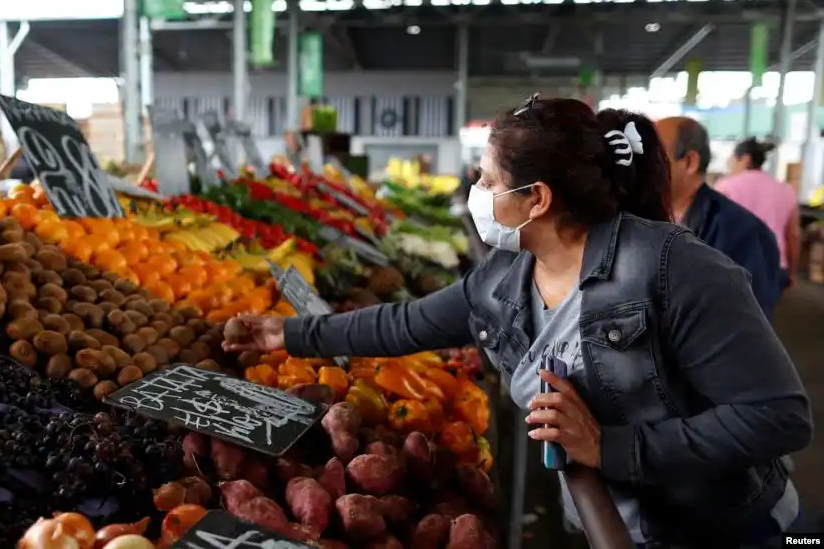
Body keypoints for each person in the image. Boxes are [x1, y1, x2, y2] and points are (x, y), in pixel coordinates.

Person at [223, 97, 811, 547]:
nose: (475, 192)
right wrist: (287, 333)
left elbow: (779, 417)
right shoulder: (505, 277)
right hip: (607, 525)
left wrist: (609, 448)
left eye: (487, 180)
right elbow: (407, 323)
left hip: (726, 528)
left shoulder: (674, 269)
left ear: (538, 199)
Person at [655, 117, 784, 318]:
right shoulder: (646, 219)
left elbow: (749, 321)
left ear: (690, 162)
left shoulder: (745, 233)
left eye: (652, 158)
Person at [716, 138, 800, 288]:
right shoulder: (786, 190)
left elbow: (715, 229)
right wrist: (792, 272)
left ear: (745, 159)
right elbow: (792, 235)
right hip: (774, 267)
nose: (730, 164)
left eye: (733, 159)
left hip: (735, 265)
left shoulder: (726, 186)